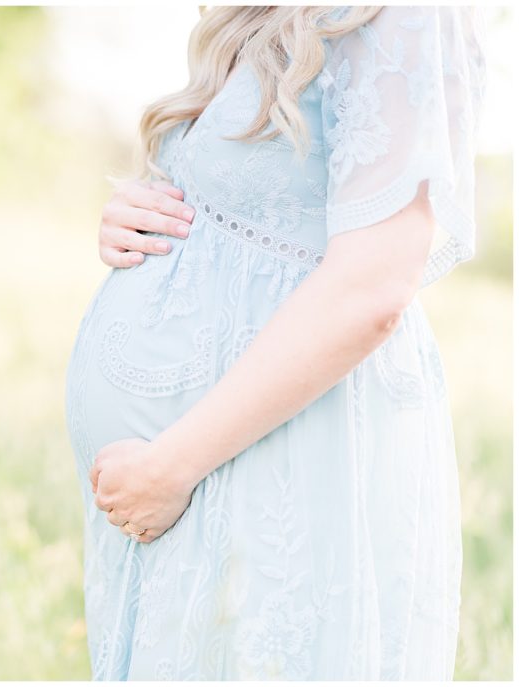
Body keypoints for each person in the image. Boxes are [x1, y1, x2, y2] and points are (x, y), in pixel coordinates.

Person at [63, 5, 486, 680]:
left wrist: (171, 466)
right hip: (205, 471)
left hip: (275, 453)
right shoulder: (266, 13)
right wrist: (143, 216)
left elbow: (373, 287)